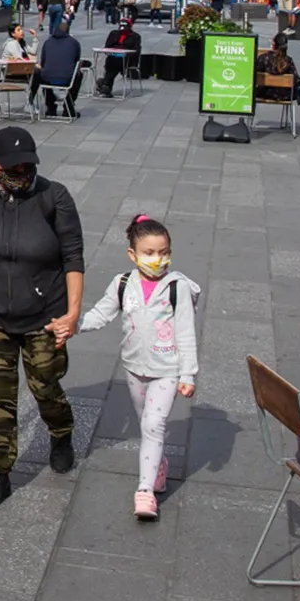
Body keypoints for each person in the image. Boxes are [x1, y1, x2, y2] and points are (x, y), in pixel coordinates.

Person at [0, 126, 85, 510]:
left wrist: (73, 313)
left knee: (45, 383)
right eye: (12, 167)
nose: (21, 173)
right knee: (0, 394)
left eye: (27, 166)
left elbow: (73, 257)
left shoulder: (54, 197)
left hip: (45, 315)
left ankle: (61, 432)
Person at [76, 215, 199, 520]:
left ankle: (144, 491)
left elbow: (186, 331)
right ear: (133, 254)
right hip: (134, 368)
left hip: (167, 370)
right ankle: (158, 465)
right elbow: (100, 315)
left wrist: (188, 374)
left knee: (152, 425)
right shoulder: (123, 284)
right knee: (145, 419)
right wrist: (71, 324)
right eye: (149, 253)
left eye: (164, 252)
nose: (158, 259)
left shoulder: (176, 287)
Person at [33, 19, 83, 118]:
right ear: (68, 31)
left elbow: (43, 62)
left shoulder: (48, 42)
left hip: (48, 78)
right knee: (78, 75)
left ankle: (51, 106)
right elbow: (76, 60)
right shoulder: (74, 43)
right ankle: (68, 106)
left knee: (42, 75)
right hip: (67, 78)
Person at [258, 33, 300, 102]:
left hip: (265, 94)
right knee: (299, 87)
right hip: (285, 96)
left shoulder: (263, 58)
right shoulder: (288, 61)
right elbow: (295, 80)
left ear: (273, 44)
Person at [96, 11, 142, 98]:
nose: (122, 29)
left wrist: (125, 51)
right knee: (112, 62)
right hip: (113, 57)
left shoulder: (135, 36)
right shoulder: (114, 33)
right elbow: (107, 46)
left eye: (125, 27)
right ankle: (106, 86)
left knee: (114, 64)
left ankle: (105, 83)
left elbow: (136, 50)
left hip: (127, 59)